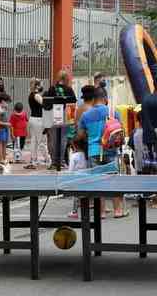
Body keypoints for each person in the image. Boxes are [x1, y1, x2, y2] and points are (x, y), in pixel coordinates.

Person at [78, 87, 127, 218]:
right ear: (105, 99)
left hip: (93, 151)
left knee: (97, 182)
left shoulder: (85, 115)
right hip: (111, 151)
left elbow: (80, 135)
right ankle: (117, 211)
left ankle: (102, 212)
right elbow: (121, 131)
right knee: (114, 180)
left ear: (93, 100)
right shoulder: (113, 112)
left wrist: (91, 134)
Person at [44, 70, 77, 170]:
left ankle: (54, 162)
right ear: (66, 78)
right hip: (65, 116)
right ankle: (61, 161)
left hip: (54, 115)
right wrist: (72, 121)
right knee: (63, 139)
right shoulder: (69, 89)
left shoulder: (52, 88)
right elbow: (73, 105)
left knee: (53, 139)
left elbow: (46, 104)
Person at [26, 78, 46, 169]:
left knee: (34, 141)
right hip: (38, 120)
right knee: (41, 141)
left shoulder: (31, 94)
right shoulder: (36, 95)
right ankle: (48, 159)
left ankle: (34, 160)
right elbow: (45, 104)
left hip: (32, 119)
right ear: (37, 86)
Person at [67, 137, 89, 219]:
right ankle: (84, 211)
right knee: (84, 195)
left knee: (76, 196)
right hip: (85, 177)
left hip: (77, 178)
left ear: (74, 146)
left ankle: (74, 212)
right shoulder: (86, 154)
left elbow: (71, 169)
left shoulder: (74, 156)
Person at [0, 93, 12, 166]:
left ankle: (4, 158)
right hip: (1, 129)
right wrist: (7, 124)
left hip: (6, 129)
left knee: (4, 144)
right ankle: (0, 159)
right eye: (7, 102)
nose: (8, 104)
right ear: (2, 101)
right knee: (0, 144)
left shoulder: (5, 108)